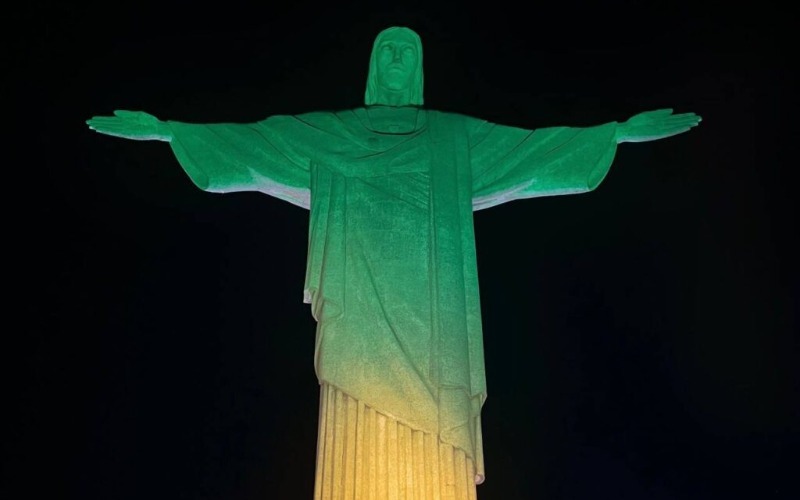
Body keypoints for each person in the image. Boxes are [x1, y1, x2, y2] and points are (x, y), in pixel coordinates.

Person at [87, 26, 701, 500]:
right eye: (388, 51)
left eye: (409, 51)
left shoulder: (453, 139)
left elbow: (534, 151)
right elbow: (253, 145)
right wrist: (171, 131)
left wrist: (613, 134)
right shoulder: (330, 134)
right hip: (359, 323)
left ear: (422, 70)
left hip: (435, 338)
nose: (398, 61)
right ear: (373, 68)